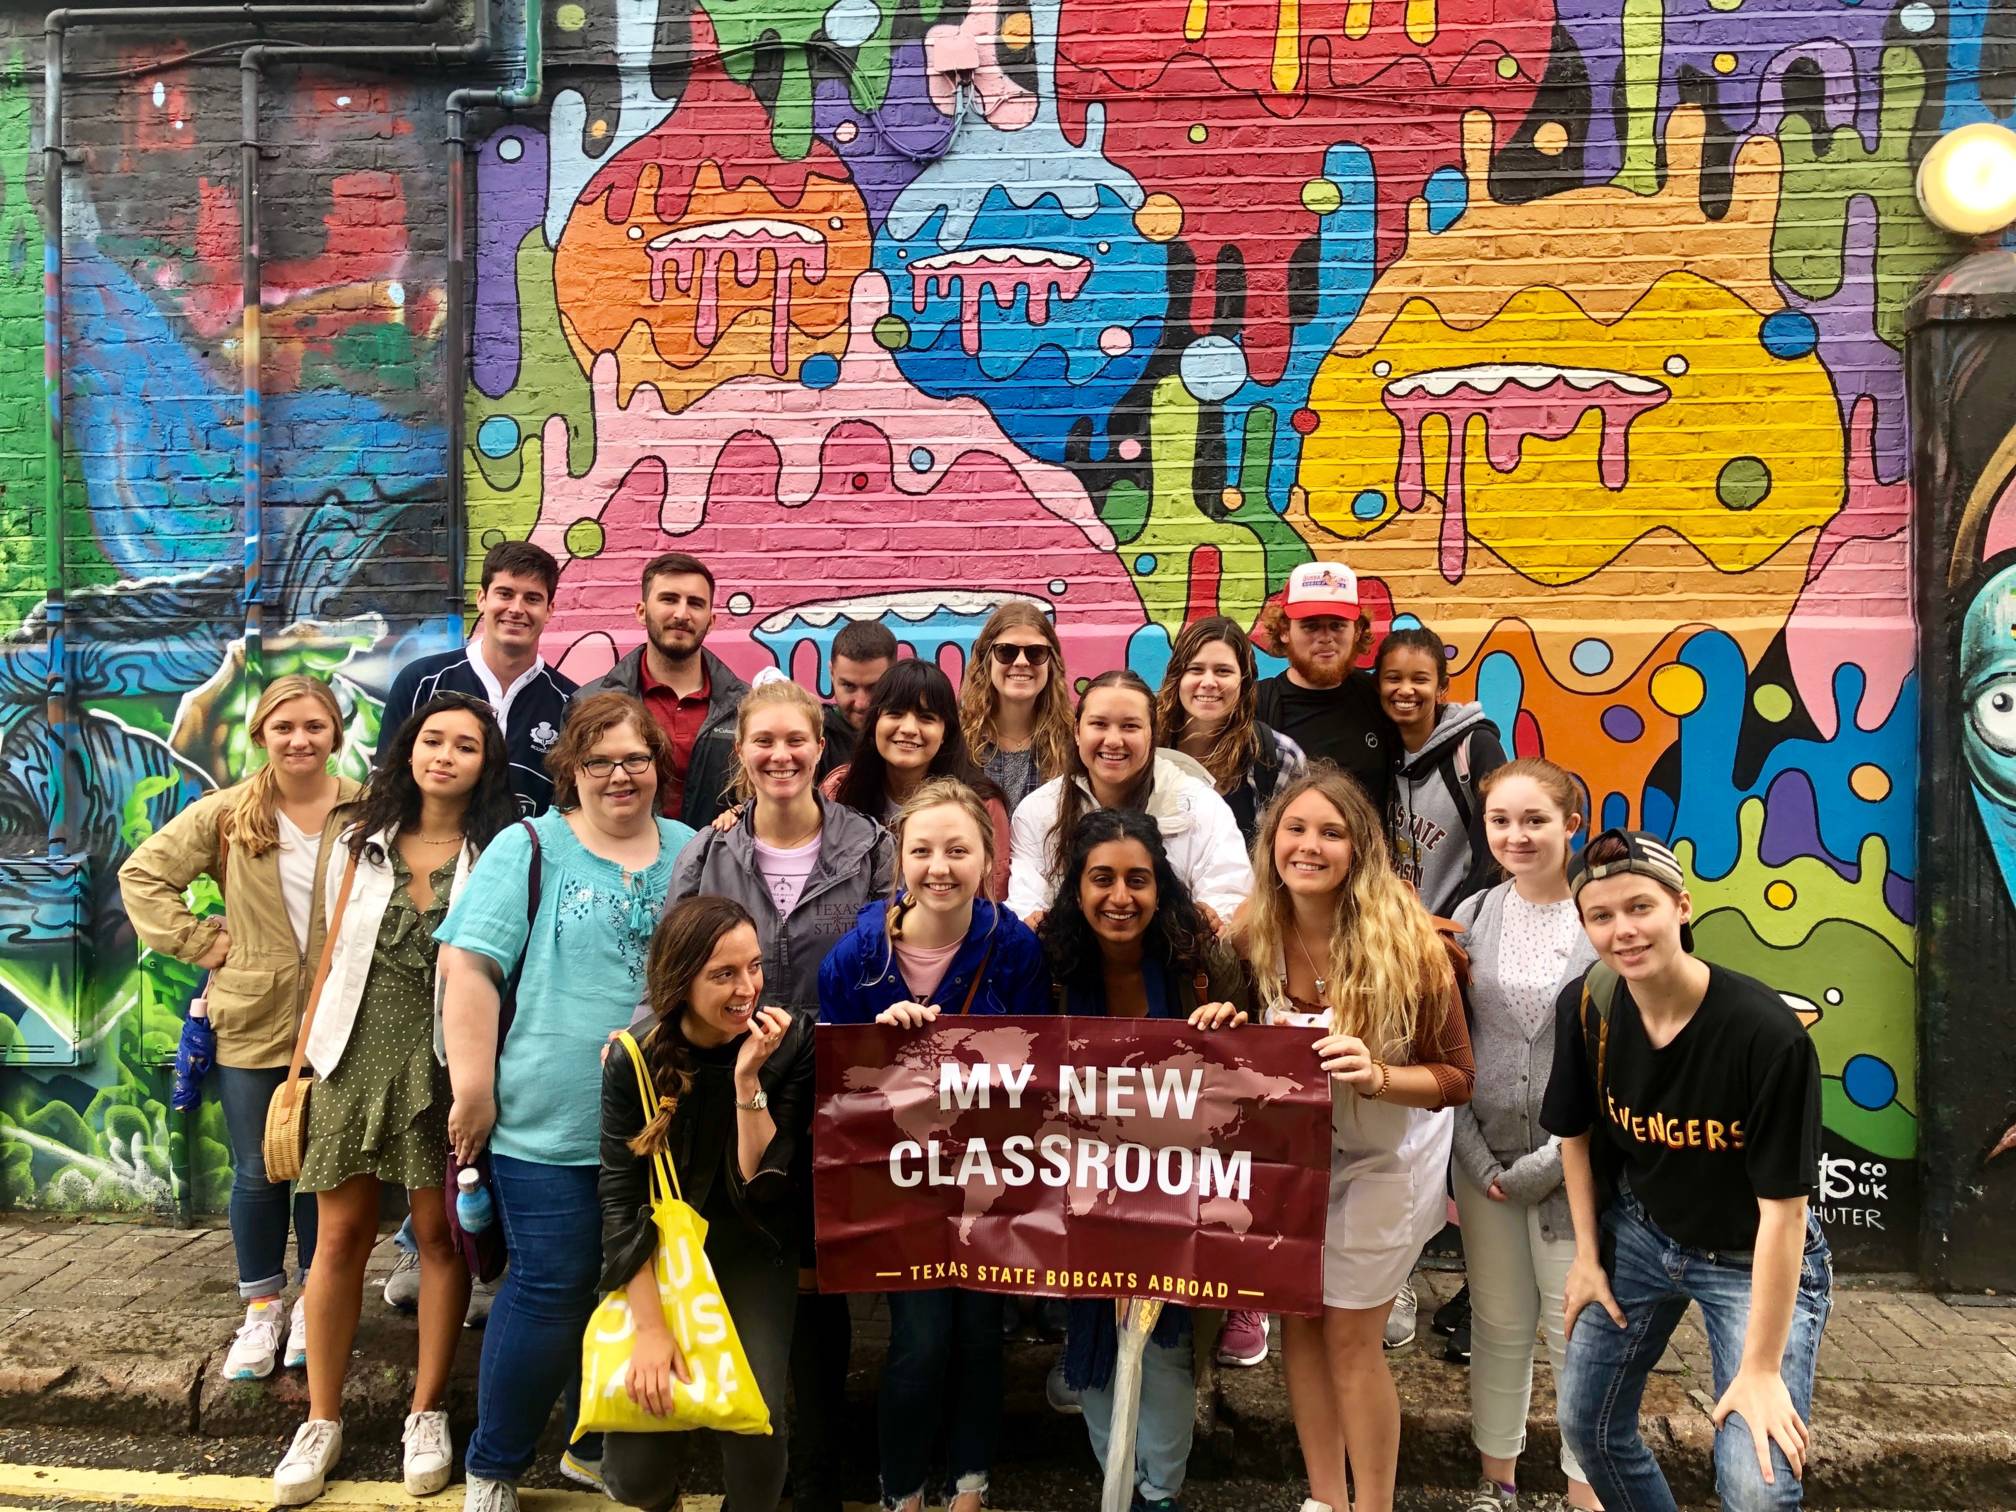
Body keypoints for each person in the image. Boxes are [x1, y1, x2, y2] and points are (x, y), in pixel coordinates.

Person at [435, 692, 697, 1512]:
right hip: (545, 1120)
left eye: (636, 759)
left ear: (659, 767)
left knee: (636, 1294)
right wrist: (472, 1089)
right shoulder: (529, 847)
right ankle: (495, 1465)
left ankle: (592, 1443)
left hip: (661, 1131)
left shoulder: (690, 851)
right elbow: (468, 969)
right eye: (600, 761)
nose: (621, 776)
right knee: (550, 1287)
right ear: (570, 771)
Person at [271, 695, 519, 1505]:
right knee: (336, 1240)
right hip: (352, 1056)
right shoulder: (359, 840)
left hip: (445, 1067)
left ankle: (427, 1411)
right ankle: (321, 1419)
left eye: (467, 746)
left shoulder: (503, 850)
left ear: (487, 764)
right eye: (433, 740)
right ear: (409, 750)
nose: (445, 755)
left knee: (439, 1238)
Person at [1544, 831, 1829, 1512]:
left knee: (1758, 1484)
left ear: (1682, 907)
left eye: (1640, 907)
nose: (1623, 931)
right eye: (1601, 916)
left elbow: (1785, 1214)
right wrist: (1587, 1256)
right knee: (1588, 1426)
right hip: (1643, 1236)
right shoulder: (1590, 1006)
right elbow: (1576, 1137)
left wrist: (1760, 1369)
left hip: (1749, 1255)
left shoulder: (1766, 1035)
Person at [669, 674, 892, 1512]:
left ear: (820, 746)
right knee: (746, 1273)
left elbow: (887, 960)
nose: (780, 755)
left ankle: (818, 1476)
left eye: (795, 740)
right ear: (741, 752)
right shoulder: (708, 850)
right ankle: (756, 1469)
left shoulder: (870, 846)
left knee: (817, 1277)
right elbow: (672, 969)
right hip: (735, 1091)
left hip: (835, 1093)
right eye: (763, 741)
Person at [1235, 767, 1475, 1512]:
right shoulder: (1247, 938)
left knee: (1349, 1342)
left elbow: (1458, 1078)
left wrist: (1375, 1074)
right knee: (1300, 1332)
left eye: (1330, 833)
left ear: (1359, 848)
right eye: (1295, 830)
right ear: (1271, 841)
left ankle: (1372, 1506)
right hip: (1292, 1164)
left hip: (1386, 1159)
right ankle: (1324, 1500)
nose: (1309, 846)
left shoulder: (1411, 946)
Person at [119, 676, 362, 1384]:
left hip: (340, 1016)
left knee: (324, 1173)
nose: (300, 740)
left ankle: (320, 1307)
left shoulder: (366, 809)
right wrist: (200, 942)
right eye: (284, 727)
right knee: (259, 1173)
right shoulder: (229, 813)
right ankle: (261, 1310)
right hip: (252, 1017)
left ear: (334, 735)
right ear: (261, 735)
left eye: (314, 726)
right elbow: (143, 875)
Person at [819, 779, 1050, 1512]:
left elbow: (1042, 1065)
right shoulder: (857, 958)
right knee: (919, 1342)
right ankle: (902, 1488)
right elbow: (831, 1087)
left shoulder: (1014, 947)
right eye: (922, 850)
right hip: (902, 1185)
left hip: (990, 1180)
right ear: (900, 861)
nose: (940, 867)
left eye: (958, 849)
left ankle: (971, 1482)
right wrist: (875, 1048)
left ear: (989, 860)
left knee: (981, 1335)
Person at [1038, 808, 1250, 1512]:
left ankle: (1160, 1491)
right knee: (1095, 1340)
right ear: (1077, 889)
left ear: (1163, 890)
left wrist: (1230, 1029)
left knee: (1165, 1353)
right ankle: (1116, 1486)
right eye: (1102, 879)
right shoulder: (1054, 967)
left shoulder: (1203, 967)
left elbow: (1254, 1076)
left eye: (1138, 880)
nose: (1119, 897)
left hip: (1181, 1192)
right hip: (1082, 1192)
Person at [597, 895, 816, 1512]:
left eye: (754, 967)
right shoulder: (633, 1059)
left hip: (752, 1246)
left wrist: (749, 1080)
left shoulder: (788, 1042)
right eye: (724, 974)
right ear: (680, 980)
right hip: (660, 1252)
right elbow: (619, 1201)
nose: (747, 987)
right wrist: (649, 1330)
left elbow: (763, 1182)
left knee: (756, 1419)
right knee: (635, 1469)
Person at [1446, 760, 1600, 1512]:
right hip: (1481, 1165)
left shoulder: (1603, 920)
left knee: (1579, 1332)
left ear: (1573, 825)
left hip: (1575, 1169)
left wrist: (1547, 1165)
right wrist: (1474, 1155)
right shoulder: (1473, 914)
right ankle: (1495, 1482)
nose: (1516, 835)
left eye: (1536, 820)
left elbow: (1618, 1065)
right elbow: (1451, 1044)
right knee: (1500, 1324)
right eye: (1501, 820)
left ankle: (1583, 1485)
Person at [1007, 670, 1253, 925]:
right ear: (1077, 732)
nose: (1113, 740)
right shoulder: (1038, 811)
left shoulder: (1201, 807)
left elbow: (1228, 898)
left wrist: (1209, 919)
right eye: (1099, 724)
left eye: (1130, 726)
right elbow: (1025, 905)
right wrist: (1034, 923)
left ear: (1152, 734)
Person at [379, 541, 575, 817]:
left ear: (550, 609)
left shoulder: (571, 704)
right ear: (481, 598)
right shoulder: (422, 681)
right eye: (504, 594)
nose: (516, 609)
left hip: (531, 858)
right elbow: (386, 784)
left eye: (532, 598)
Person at [578, 551, 750, 825]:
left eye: (695, 603)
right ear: (641, 612)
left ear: (711, 621)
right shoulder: (588, 704)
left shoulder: (747, 709)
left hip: (718, 863)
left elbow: (764, 797)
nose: (682, 614)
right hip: (621, 865)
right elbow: (569, 804)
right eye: (669, 599)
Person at [824, 659, 1012, 899]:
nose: (909, 728)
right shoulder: (838, 791)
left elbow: (992, 901)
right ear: (874, 724)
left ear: (946, 732)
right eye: (895, 713)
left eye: (926, 717)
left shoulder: (982, 805)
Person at [1379, 627, 1507, 917]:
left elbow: (1496, 849)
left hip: (1454, 932)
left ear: (1442, 687)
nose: (1406, 689)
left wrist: (1461, 923)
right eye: (1393, 678)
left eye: (1420, 679)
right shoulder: (1375, 750)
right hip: (1391, 935)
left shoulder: (1474, 748)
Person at [1253, 561, 1394, 812]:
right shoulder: (1255, 706)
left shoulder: (1380, 699)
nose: (1325, 637)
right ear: (1285, 630)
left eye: (1337, 625)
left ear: (1358, 630)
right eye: (1311, 625)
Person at [1157, 614, 1307, 845]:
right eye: (1196, 669)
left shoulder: (1279, 756)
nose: (1208, 682)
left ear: (1244, 682)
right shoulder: (1148, 747)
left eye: (1223, 671)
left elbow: (1295, 847)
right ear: (1177, 677)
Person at [959, 601, 1075, 813]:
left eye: (1036, 652)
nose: (1021, 662)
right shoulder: (958, 739)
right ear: (987, 660)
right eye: (1006, 651)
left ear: (1051, 662)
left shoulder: (1073, 740)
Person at [825, 619, 898, 763]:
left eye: (875, 688)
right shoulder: (813, 738)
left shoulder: (915, 737)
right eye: (849, 686)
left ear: (895, 676)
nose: (861, 704)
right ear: (831, 674)